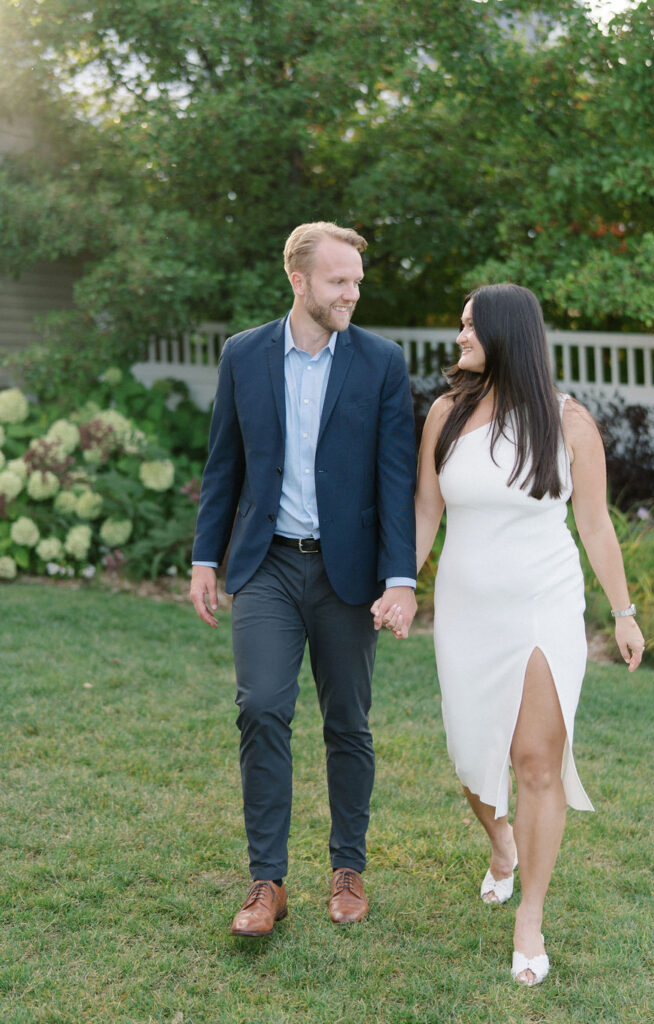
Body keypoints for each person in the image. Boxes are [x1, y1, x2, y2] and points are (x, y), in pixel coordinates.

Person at [375, 283, 644, 985]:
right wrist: (401, 585)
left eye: (469, 327)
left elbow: (595, 525)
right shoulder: (445, 415)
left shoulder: (569, 422)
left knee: (535, 763)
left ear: (506, 334)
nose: (459, 337)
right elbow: (426, 512)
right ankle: (502, 845)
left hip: (542, 608)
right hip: (466, 611)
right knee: (472, 758)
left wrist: (623, 612)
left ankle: (530, 916)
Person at [190, 222, 418, 938]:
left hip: (348, 573)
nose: (351, 292)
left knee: (347, 721)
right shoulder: (244, 355)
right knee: (261, 706)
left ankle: (347, 869)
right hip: (267, 564)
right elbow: (224, 461)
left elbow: (394, 477)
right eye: (338, 280)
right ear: (299, 280)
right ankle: (267, 882)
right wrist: (205, 557)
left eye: (356, 280)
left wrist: (402, 577)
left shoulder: (382, 362)